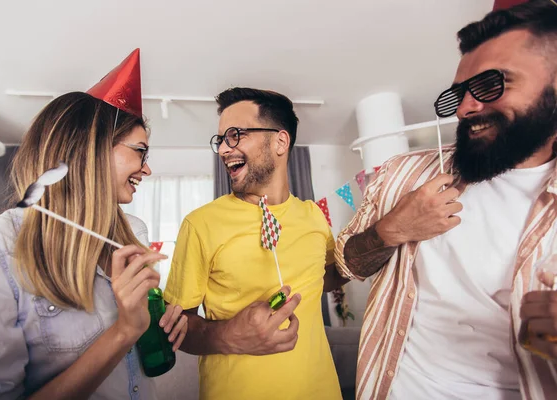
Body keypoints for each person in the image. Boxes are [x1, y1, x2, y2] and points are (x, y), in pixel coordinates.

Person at [334, 1, 557, 399]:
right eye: (459, 95)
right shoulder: (402, 174)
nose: (467, 108)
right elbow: (344, 265)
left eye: (493, 84)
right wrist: (392, 230)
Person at [0, 49, 187, 400]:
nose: (147, 169)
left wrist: (158, 323)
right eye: (140, 151)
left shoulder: (133, 232)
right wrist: (124, 331)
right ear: (89, 148)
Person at [163, 87, 344, 399]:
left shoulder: (314, 216)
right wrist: (229, 337)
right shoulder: (201, 224)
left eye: (235, 135)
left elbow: (326, 277)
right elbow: (176, 326)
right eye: (220, 139)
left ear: (280, 141)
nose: (222, 149)